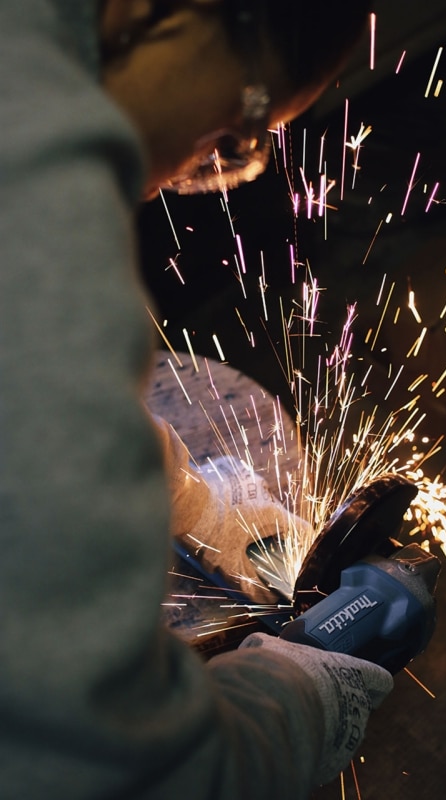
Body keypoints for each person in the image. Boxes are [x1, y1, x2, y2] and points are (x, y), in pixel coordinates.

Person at [0, 2, 394, 798]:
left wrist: (199, 507)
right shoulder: (43, 214)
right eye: (240, 130)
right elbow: (140, 771)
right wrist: (309, 682)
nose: (183, 175)